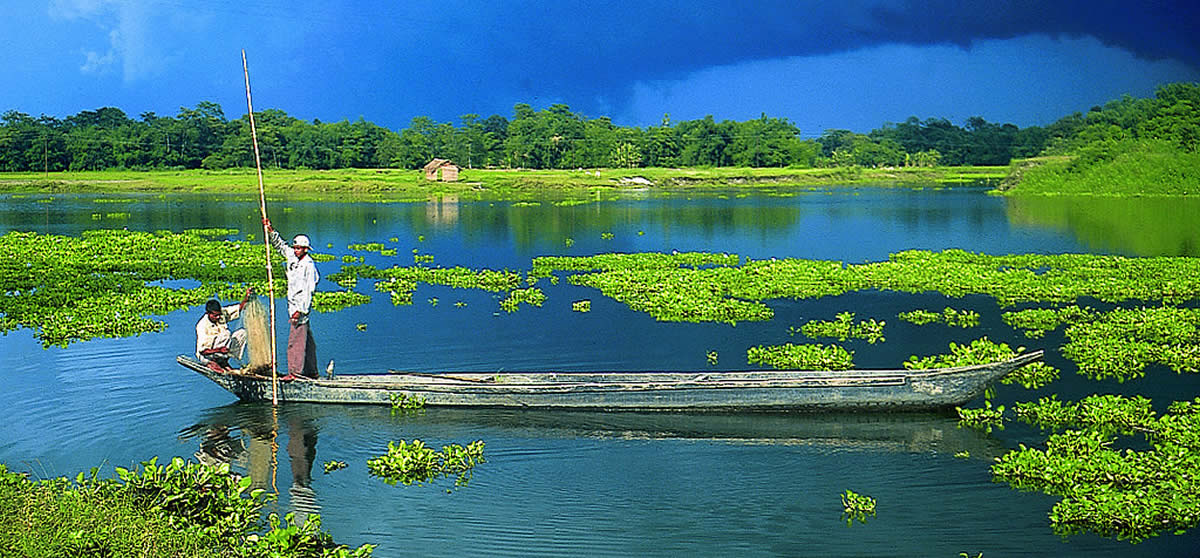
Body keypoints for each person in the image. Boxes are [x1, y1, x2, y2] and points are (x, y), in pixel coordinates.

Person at [265, 219, 320, 380]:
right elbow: (280, 246)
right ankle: (311, 371)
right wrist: (270, 230)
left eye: (299, 248)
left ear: (305, 249)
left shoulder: (309, 266)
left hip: (300, 309)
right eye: (295, 248)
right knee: (307, 341)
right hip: (293, 306)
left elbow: (308, 290)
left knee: (295, 342)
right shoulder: (292, 256)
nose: (295, 250)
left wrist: (299, 311)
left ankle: (295, 373)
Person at [195, 286, 253, 373]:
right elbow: (203, 351)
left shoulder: (222, 314)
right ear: (208, 313)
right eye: (215, 315)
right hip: (207, 356)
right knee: (226, 334)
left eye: (219, 314)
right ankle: (214, 362)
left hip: (221, 351)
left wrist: (247, 297)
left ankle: (223, 361)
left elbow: (239, 308)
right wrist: (219, 350)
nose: (218, 317)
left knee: (242, 333)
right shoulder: (202, 326)